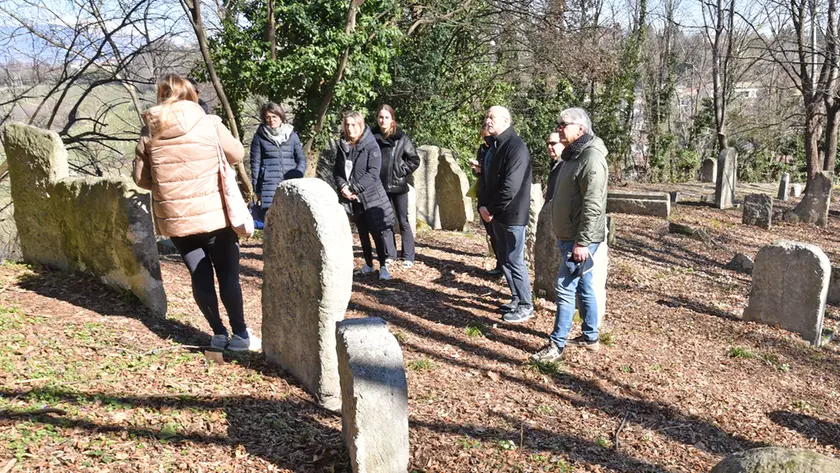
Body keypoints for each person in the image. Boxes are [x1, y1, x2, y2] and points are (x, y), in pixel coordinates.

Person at [134, 74, 261, 352]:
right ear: (190, 93)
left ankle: (217, 333)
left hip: (177, 218)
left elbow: (141, 179)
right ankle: (240, 335)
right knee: (227, 273)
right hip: (215, 214)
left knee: (198, 274)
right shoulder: (209, 123)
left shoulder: (149, 131)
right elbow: (237, 154)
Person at [530, 107, 608, 363]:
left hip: (581, 239)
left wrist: (582, 242)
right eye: (559, 124)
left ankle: (556, 345)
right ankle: (590, 337)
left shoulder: (592, 158)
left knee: (564, 287)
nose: (559, 128)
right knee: (584, 286)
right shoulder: (574, 154)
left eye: (564, 124)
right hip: (569, 236)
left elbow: (594, 204)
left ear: (580, 129)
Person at [477, 106, 534, 323]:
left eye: (492, 117)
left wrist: (490, 208)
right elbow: (488, 180)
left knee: (514, 259)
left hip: (512, 214)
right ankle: (517, 298)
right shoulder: (495, 145)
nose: (488, 121)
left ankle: (526, 305)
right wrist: (484, 206)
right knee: (504, 258)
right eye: (487, 116)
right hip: (496, 214)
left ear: (506, 120)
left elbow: (510, 185)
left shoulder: (515, 146)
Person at [333, 111, 397, 280]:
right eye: (347, 125)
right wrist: (343, 188)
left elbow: (373, 173)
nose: (350, 128)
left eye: (353, 125)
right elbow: (338, 171)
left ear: (360, 126)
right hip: (353, 199)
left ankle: (383, 267)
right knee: (362, 232)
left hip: (371, 197)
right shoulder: (343, 146)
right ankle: (368, 264)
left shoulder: (371, 145)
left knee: (377, 232)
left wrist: (353, 188)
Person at [372, 105, 420, 268]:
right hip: (379, 186)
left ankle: (408, 255)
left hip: (398, 185)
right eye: (380, 117)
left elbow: (414, 160)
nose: (383, 120)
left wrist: (400, 171)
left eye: (386, 117)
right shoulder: (372, 137)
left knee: (403, 220)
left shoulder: (402, 138)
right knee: (385, 221)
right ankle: (390, 254)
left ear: (392, 119)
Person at [249, 102, 306, 222]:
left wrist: (298, 173)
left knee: (291, 221)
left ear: (281, 116)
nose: (271, 120)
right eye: (268, 117)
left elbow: (301, 159)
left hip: (290, 184)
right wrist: (257, 190)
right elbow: (255, 166)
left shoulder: (292, 136)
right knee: (272, 224)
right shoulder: (259, 137)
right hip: (268, 186)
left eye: (274, 116)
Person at [471, 123, 502, 276]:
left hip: (493, 197)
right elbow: (482, 174)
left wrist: (481, 168)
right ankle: (499, 263)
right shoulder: (482, 149)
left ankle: (503, 266)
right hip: (482, 193)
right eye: (483, 137)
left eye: (487, 136)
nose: (485, 139)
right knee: (492, 233)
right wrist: (477, 170)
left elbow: (495, 172)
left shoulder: (497, 147)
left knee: (498, 233)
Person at [544, 131, 564, 204]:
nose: (549, 147)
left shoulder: (566, 165)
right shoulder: (554, 164)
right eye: (548, 144)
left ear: (563, 144)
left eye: (553, 143)